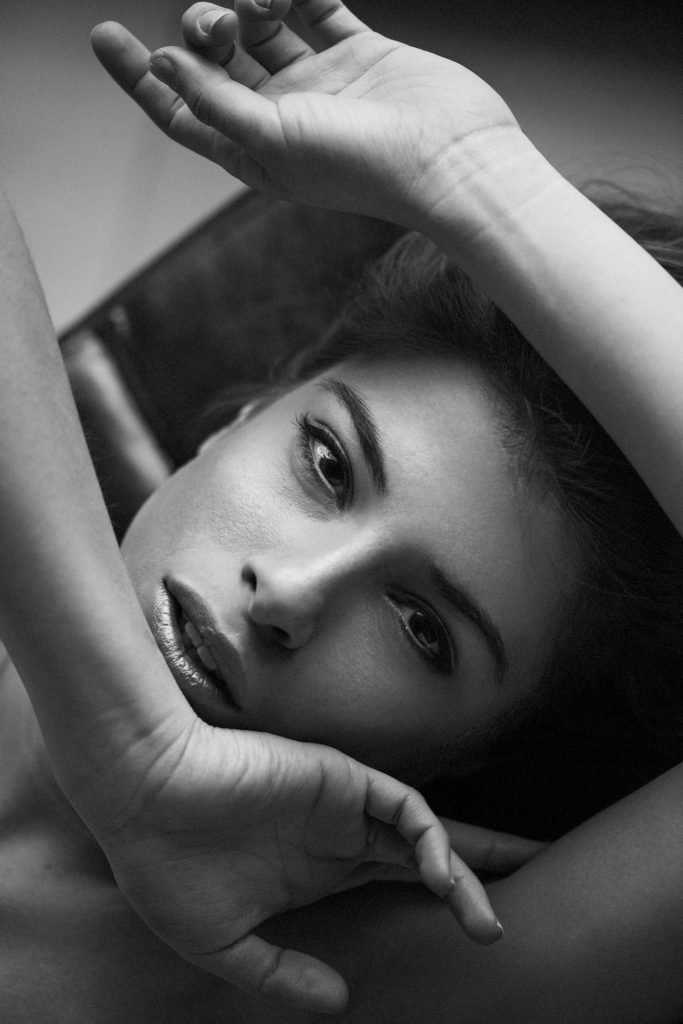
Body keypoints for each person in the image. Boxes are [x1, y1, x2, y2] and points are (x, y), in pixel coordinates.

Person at [0, 2, 682, 1022]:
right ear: (239, 419)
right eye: (326, 465)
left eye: (422, 629)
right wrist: (123, 743)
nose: (287, 593)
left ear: (468, 750)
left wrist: (479, 178)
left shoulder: (381, 989)